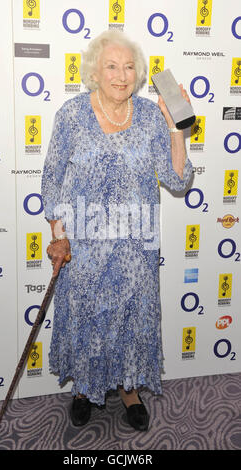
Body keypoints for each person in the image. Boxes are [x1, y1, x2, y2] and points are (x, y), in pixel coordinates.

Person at [41, 30, 193, 432]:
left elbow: (178, 180)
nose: (121, 75)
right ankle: (82, 391)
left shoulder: (147, 117)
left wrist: (176, 126)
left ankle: (129, 391)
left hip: (135, 249)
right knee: (87, 316)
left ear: (139, 74)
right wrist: (58, 234)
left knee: (130, 319)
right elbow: (51, 181)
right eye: (111, 66)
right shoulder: (71, 115)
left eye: (129, 67)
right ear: (94, 70)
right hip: (84, 246)